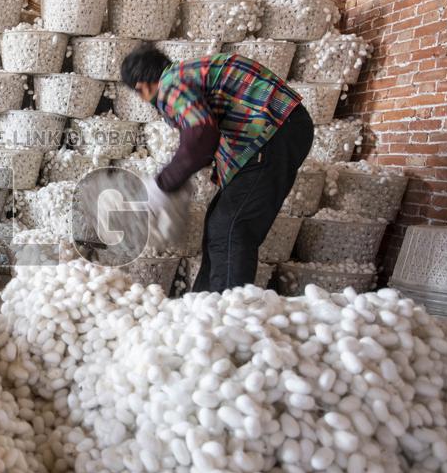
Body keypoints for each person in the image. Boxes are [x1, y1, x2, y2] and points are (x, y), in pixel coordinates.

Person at [120, 43, 314, 293]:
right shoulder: (186, 76)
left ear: (142, 87)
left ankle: (227, 310)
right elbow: (201, 140)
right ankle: (206, 303)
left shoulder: (170, 84)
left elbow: (200, 134)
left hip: (273, 131)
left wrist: (162, 185)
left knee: (231, 226)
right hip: (273, 131)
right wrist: (178, 178)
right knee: (219, 223)